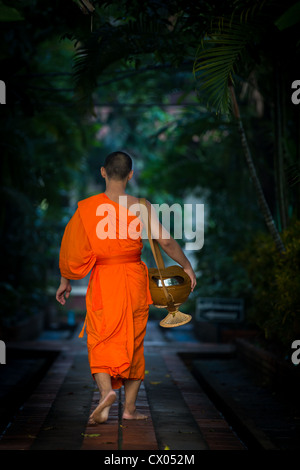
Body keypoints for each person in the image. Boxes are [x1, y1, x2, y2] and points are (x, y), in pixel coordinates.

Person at [56, 151, 196, 424]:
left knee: (100, 337)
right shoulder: (141, 207)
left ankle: (106, 393)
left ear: (103, 172)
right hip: (134, 278)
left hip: (104, 278)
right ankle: (130, 410)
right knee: (133, 341)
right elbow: (165, 242)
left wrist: (65, 280)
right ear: (131, 175)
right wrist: (187, 266)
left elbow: (71, 247)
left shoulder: (87, 207)